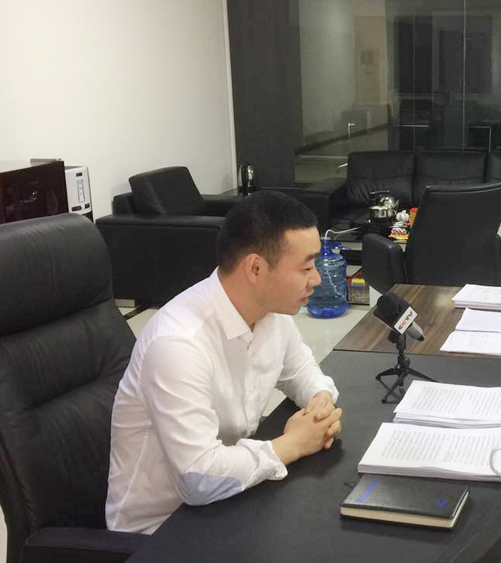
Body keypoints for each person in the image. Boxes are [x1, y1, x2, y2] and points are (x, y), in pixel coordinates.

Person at [106, 191, 343, 534]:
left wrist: (319, 399)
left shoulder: (270, 314)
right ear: (256, 268)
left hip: (231, 502)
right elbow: (198, 479)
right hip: (160, 533)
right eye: (306, 267)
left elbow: (301, 370)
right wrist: (293, 443)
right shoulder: (179, 343)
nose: (317, 279)